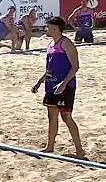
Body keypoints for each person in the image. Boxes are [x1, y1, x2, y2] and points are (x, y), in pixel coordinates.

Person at [31, 17, 84, 158]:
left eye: (48, 27)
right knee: (51, 117)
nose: (45, 29)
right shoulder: (50, 45)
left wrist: (64, 83)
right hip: (51, 86)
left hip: (65, 86)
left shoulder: (66, 43)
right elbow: (50, 68)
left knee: (66, 117)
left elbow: (75, 67)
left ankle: (80, 150)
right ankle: (50, 147)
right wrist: (40, 81)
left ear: (55, 28)